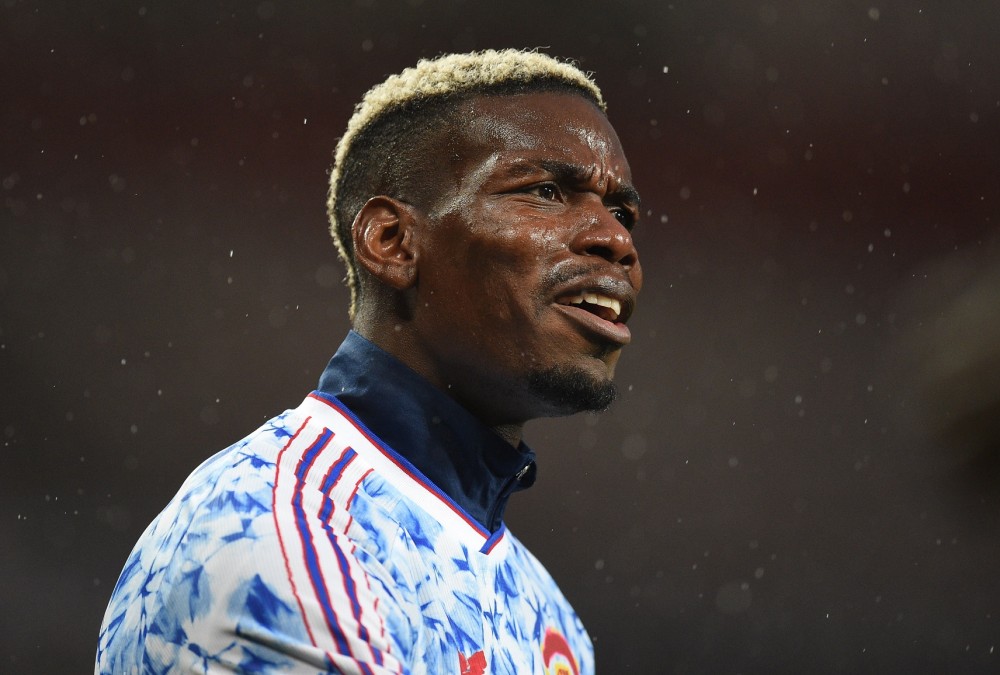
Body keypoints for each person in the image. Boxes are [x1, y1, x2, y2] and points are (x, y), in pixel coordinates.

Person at [96, 48, 643, 674]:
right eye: (545, 191)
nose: (616, 239)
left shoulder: (550, 619)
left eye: (622, 212)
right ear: (391, 242)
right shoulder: (286, 536)